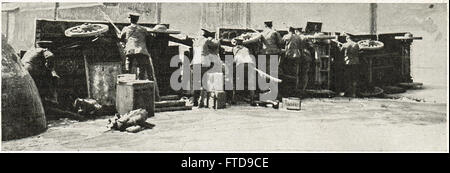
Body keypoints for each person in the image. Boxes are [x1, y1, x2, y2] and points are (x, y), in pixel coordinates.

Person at [118, 12, 160, 101]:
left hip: (130, 52)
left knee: (128, 73)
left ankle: (127, 97)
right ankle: (151, 97)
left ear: (130, 19)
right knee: (144, 72)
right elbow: (149, 39)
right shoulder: (143, 29)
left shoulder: (126, 29)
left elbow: (121, 39)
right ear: (137, 20)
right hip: (141, 51)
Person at [191, 28, 221, 108]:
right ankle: (203, 102)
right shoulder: (206, 40)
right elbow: (216, 44)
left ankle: (195, 101)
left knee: (196, 83)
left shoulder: (195, 41)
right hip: (203, 62)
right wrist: (216, 39)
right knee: (204, 82)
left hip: (195, 62)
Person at [231, 38, 256, 106]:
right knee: (251, 82)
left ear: (236, 43)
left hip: (240, 64)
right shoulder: (246, 49)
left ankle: (234, 99)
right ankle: (252, 100)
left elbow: (235, 59)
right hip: (250, 64)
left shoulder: (234, 49)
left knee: (235, 81)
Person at [336, 33, 361, 98]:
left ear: (347, 38)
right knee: (354, 78)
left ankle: (348, 92)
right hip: (356, 63)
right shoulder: (356, 44)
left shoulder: (345, 45)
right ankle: (354, 93)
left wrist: (339, 46)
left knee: (348, 78)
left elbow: (340, 51)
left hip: (348, 63)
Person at [280, 27, 302, 97]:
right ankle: (294, 89)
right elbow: (300, 46)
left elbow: (280, 43)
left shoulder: (286, 36)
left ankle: (287, 90)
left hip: (289, 56)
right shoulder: (298, 37)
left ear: (288, 30)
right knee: (295, 73)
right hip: (297, 56)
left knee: (287, 73)